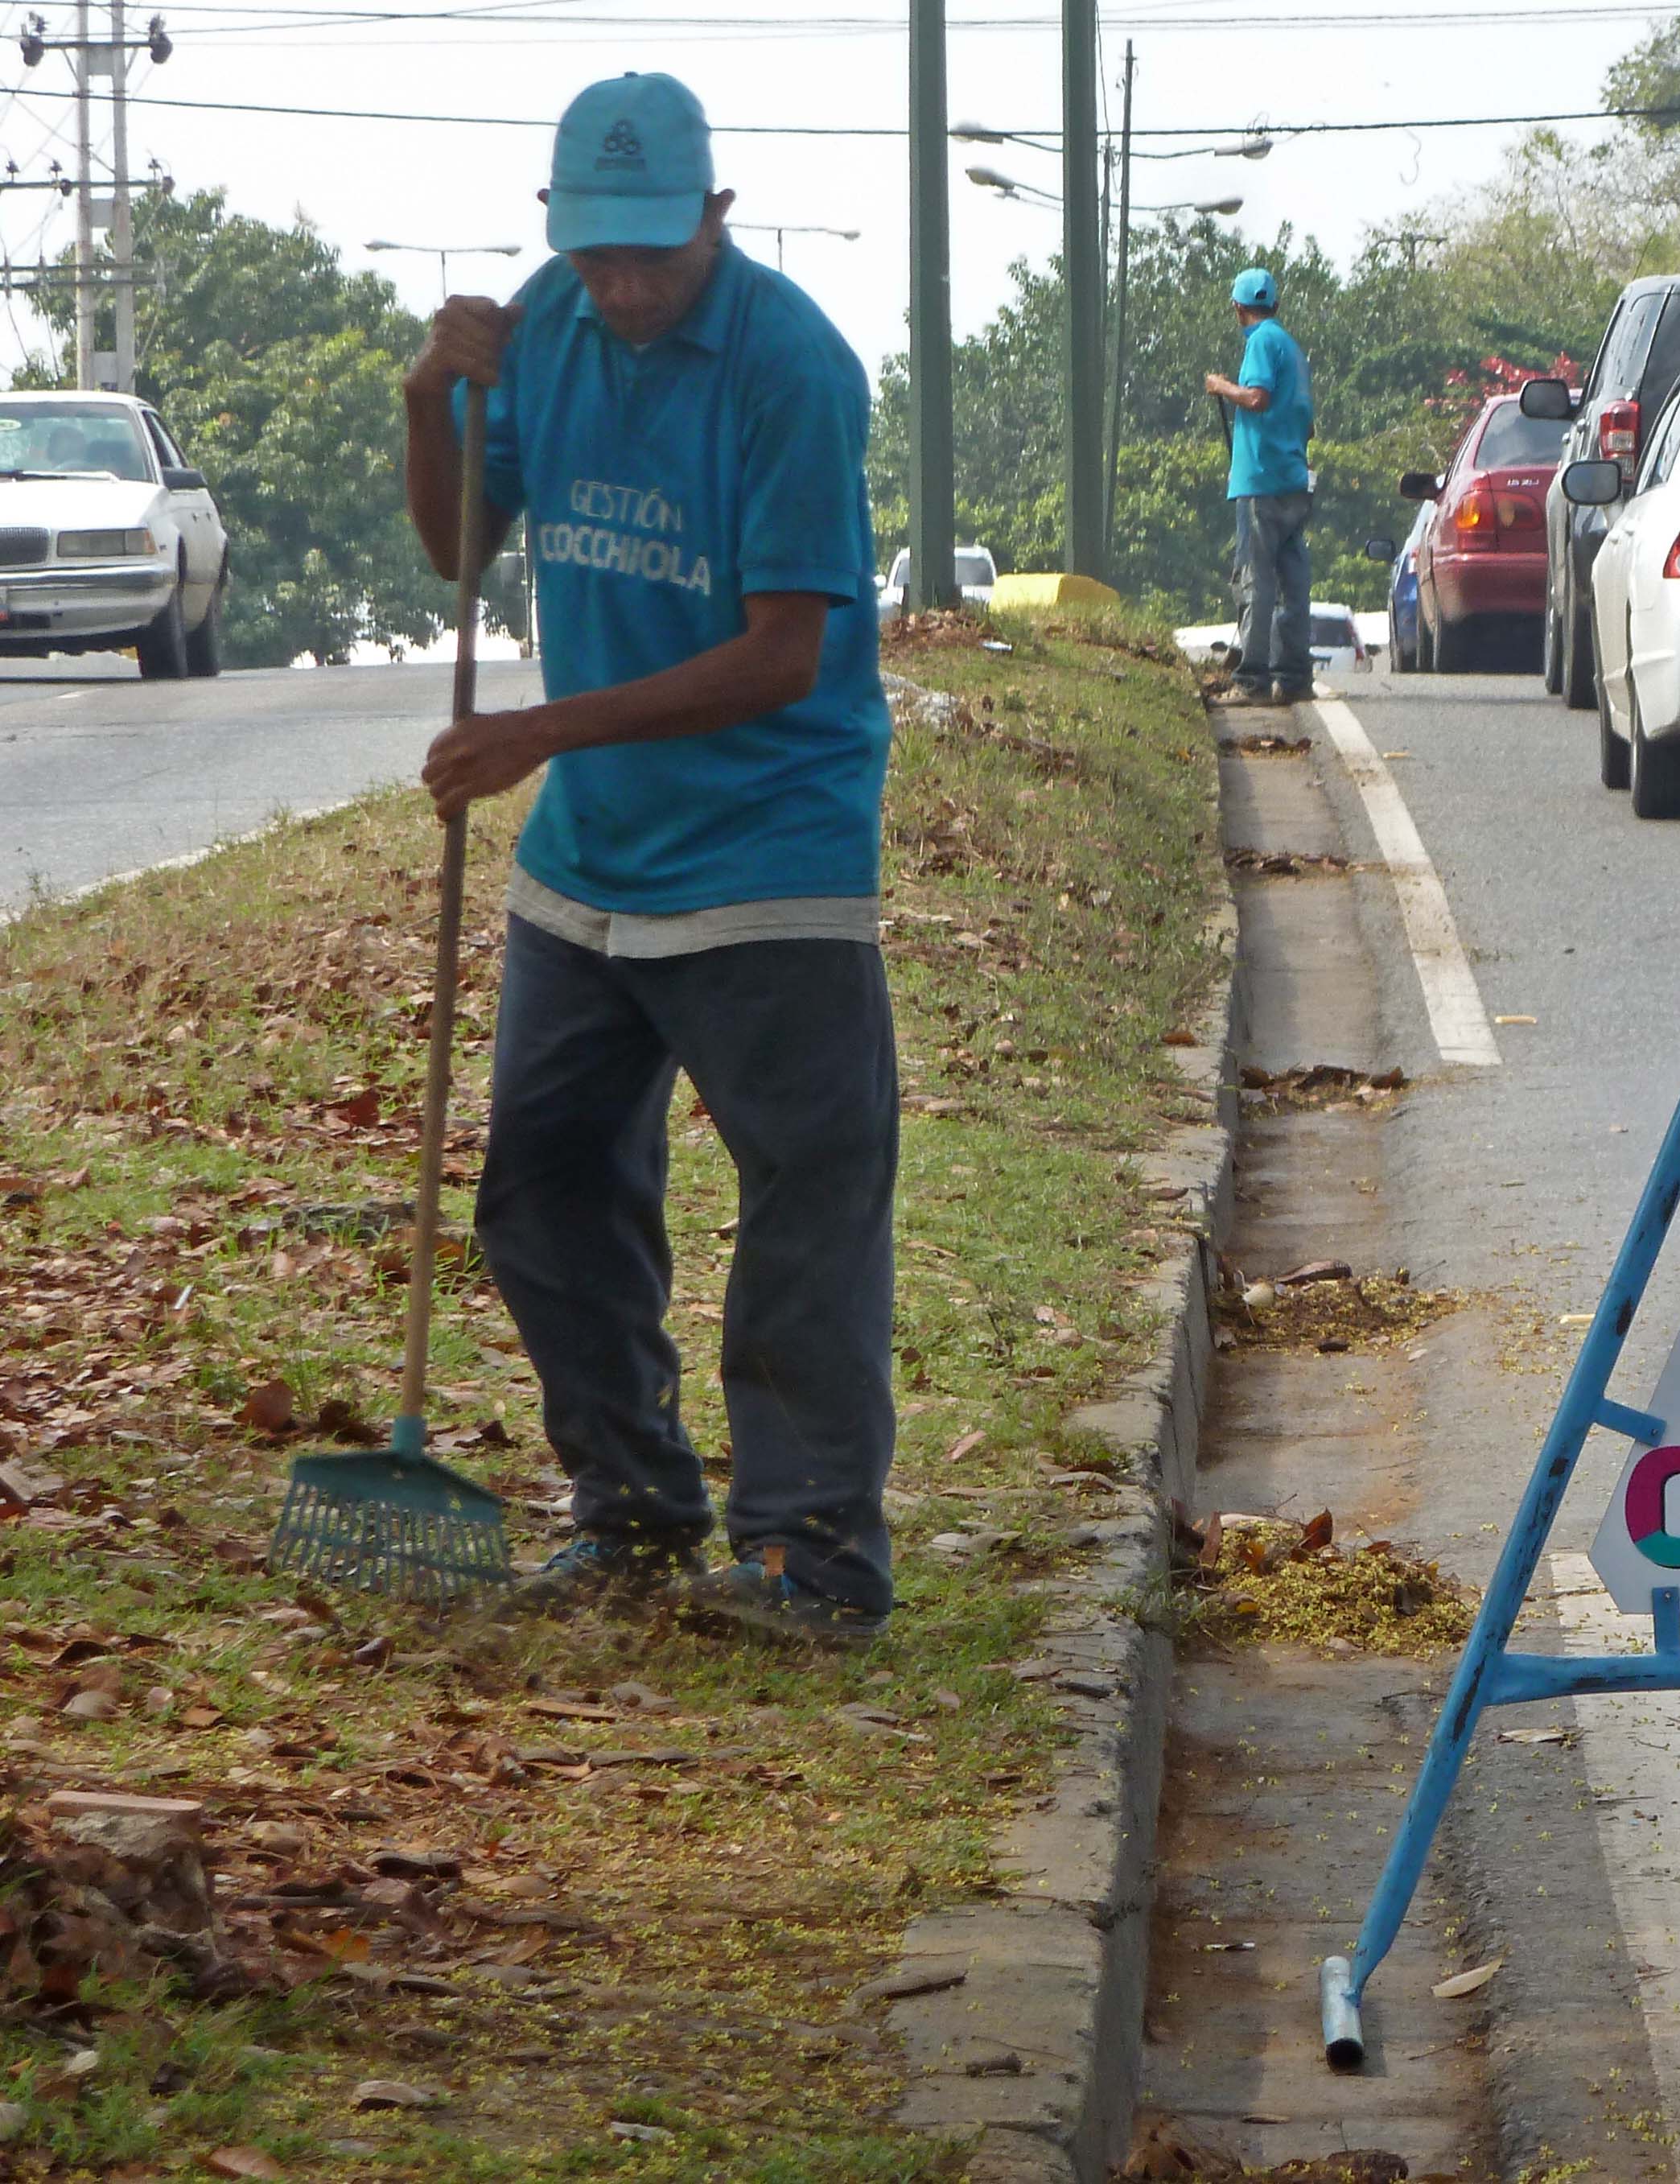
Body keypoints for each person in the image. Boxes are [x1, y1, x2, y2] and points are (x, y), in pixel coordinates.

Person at [399, 69, 899, 1647]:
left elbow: (779, 659)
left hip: (770, 855)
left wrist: (539, 736)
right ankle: (630, 1512)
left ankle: (815, 1556)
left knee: (808, 1205)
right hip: (591, 869)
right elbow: (457, 548)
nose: (621, 286)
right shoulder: (542, 324)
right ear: (559, 231)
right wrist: (433, 400)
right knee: (540, 1193)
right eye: (596, 251)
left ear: (715, 221)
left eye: (652, 257)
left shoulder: (787, 366)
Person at [1204, 266, 1316, 705]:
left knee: (1255, 577)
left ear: (1238, 308)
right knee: (1293, 578)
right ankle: (1294, 678)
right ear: (1275, 304)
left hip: (1260, 479)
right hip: (1293, 476)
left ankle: (1251, 679)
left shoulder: (1260, 343)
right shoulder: (1292, 346)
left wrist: (1220, 387)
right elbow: (1305, 420)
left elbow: (1256, 397)